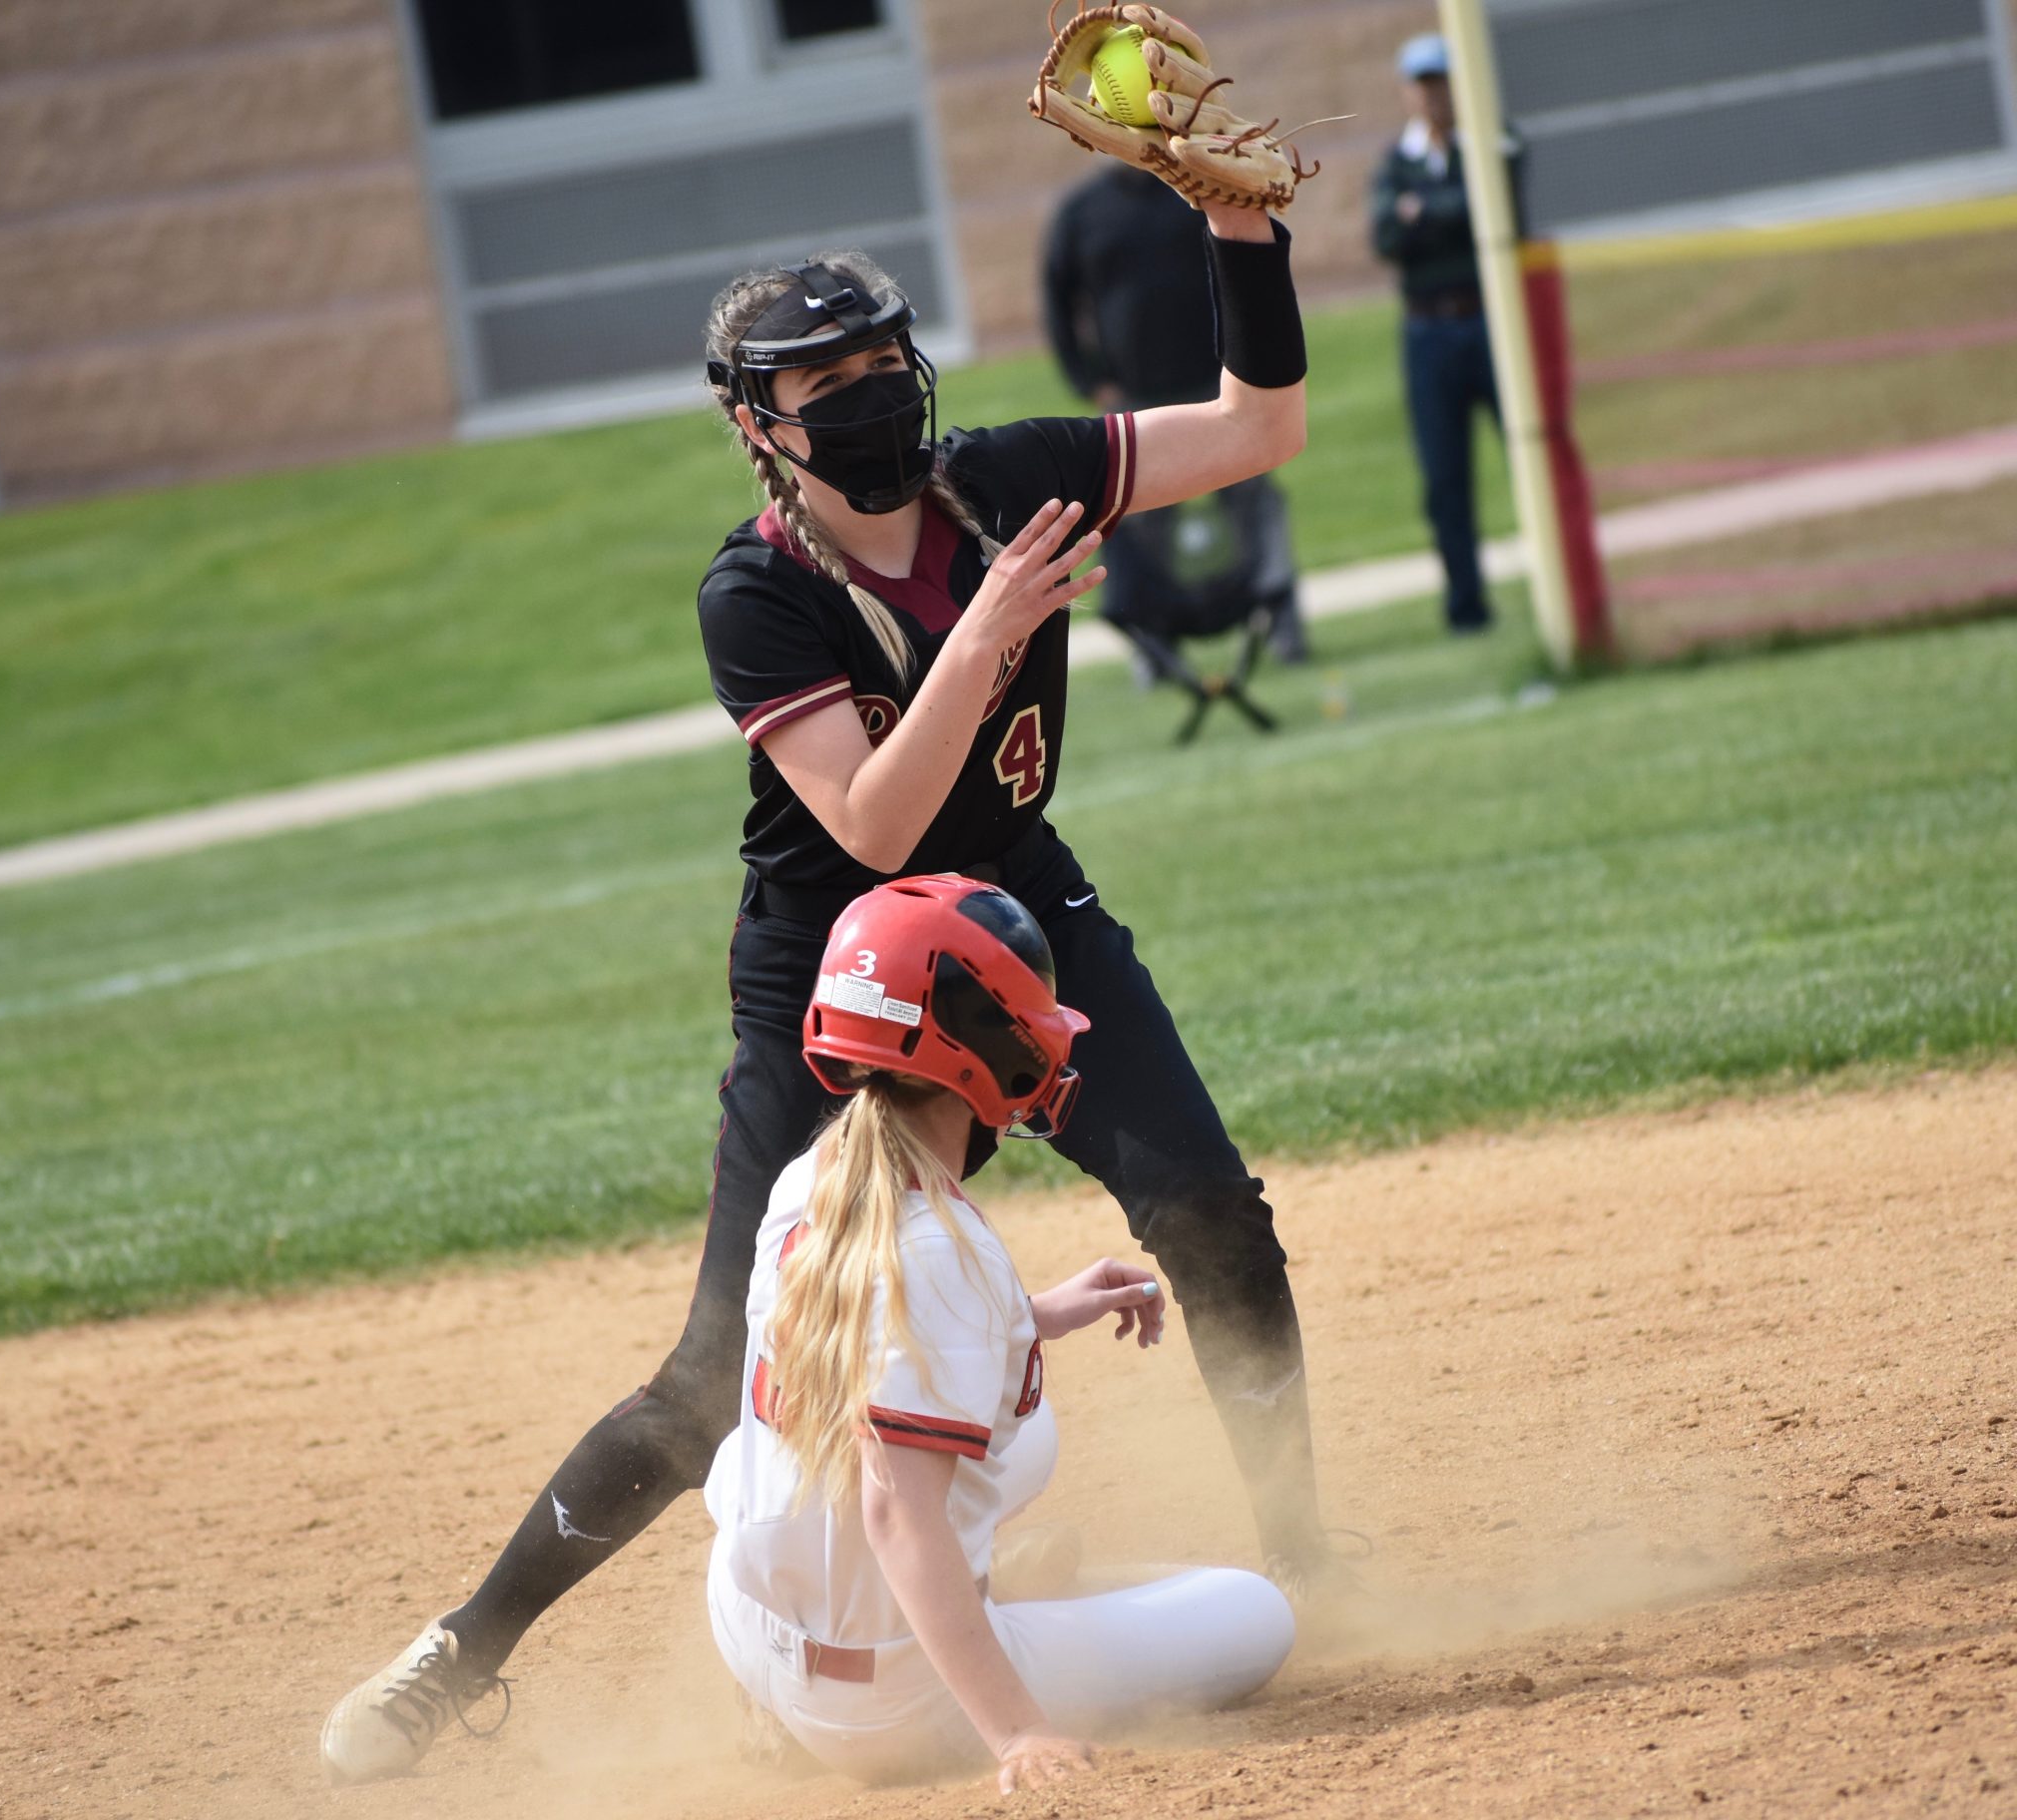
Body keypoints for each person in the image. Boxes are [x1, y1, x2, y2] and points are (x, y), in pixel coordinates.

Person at [321, 181, 1335, 1786]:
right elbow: (873, 818)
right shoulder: (759, 591)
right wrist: (989, 632)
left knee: (1209, 1209)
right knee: (716, 1371)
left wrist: (1239, 238)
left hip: (1009, 925)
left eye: (884, 365)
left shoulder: (1007, 482)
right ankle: (465, 1651)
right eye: (824, 387)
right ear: (758, 428)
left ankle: (1306, 1561)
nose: (871, 400)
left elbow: (1258, 428)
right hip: (830, 978)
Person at [705, 874, 1295, 1791]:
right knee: (1257, 1617)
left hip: (747, 1622)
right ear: (988, 1049)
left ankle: (805, 1681)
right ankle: (984, 1626)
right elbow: (896, 1513)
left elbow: (876, 1335)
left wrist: (1038, 1313)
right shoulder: (944, 1256)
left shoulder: (817, 1175)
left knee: (1007, 1428)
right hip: (891, 1706)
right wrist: (1017, 1730)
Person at [1043, 163, 1308, 675]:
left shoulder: (1193, 194)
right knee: (1136, 528)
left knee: (1255, 505)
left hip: (1217, 387)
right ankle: (1155, 652)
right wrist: (1090, 379)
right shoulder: (1082, 211)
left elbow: (1241, 272)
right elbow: (1057, 302)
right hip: (1134, 395)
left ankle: (1284, 631)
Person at [1369, 32, 1506, 636]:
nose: (1434, 97)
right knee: (1445, 478)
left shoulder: (1492, 141)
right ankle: (1466, 607)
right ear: (1407, 93)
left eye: (1443, 82)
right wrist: (1454, 209)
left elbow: (1499, 207)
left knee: (1534, 453)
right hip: (1428, 330)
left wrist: (1425, 210)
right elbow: (1386, 238)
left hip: (1494, 323)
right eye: (1422, 85)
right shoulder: (1395, 163)